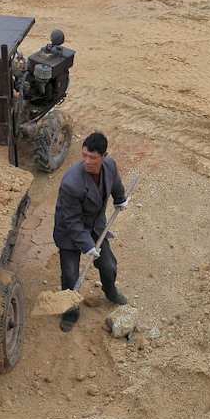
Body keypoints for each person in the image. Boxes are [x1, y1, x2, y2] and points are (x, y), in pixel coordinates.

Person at [52, 131, 129, 332]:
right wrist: (87, 246)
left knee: (109, 265)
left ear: (103, 156)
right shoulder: (72, 182)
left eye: (92, 157)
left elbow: (115, 184)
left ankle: (110, 291)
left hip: (95, 227)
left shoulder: (110, 166)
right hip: (70, 232)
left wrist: (120, 199)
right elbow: (72, 221)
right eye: (84, 155)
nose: (86, 161)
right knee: (70, 275)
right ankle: (70, 312)